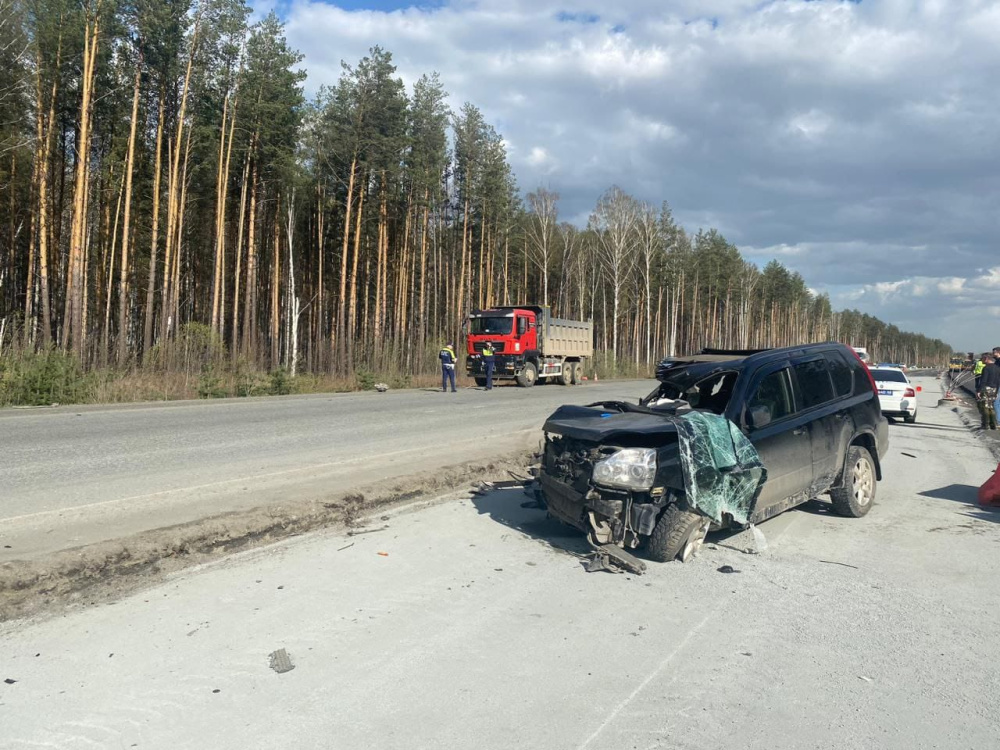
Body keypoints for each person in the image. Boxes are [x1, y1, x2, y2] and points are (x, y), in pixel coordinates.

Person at [978, 352, 1000, 430]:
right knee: (991, 406)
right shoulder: (997, 368)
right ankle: (994, 424)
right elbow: (998, 381)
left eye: (983, 358)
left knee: (985, 406)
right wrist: (997, 391)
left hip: (986, 389)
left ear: (987, 359)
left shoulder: (986, 368)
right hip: (994, 389)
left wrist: (979, 391)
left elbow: (983, 380)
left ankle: (985, 425)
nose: (982, 360)